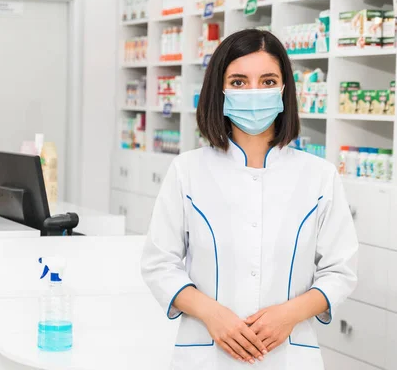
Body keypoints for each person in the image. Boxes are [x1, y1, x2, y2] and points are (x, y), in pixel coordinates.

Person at [141, 29, 358, 370]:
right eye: (239, 82)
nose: (254, 92)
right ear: (220, 90)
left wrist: (288, 316)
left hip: (288, 354)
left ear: (285, 90)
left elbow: (340, 271)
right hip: (205, 352)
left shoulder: (319, 175)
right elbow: (159, 264)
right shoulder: (187, 171)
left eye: (268, 81)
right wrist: (213, 315)